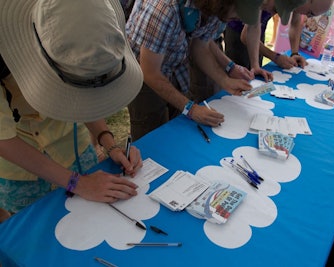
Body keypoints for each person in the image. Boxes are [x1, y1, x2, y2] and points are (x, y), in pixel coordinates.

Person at [0, 0, 144, 221]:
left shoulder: (81, 17)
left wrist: (110, 144)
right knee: (40, 239)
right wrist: (78, 183)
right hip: (21, 169)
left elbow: (84, 94)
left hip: (73, 147)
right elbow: (3, 139)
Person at [125, 0, 269, 141]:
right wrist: (191, 109)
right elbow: (150, 72)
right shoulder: (163, 9)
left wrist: (225, 81)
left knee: (177, 132)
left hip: (174, 65)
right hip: (142, 75)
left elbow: (200, 48)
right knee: (151, 136)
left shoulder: (216, 10)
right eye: (239, 13)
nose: (239, 19)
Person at [242, 0, 334, 79]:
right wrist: (275, 57)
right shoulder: (257, 5)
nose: (308, 17)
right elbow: (246, 34)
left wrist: (294, 53)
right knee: (239, 73)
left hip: (254, 27)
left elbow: (295, 21)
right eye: (310, 13)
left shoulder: (293, 3)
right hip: (238, 27)